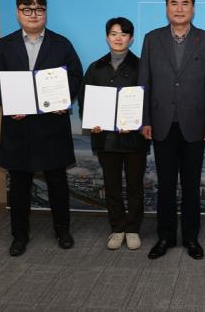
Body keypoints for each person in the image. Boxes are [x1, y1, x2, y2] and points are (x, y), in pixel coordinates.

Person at [0, 0, 83, 256]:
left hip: (52, 125)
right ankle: (19, 236)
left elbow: (76, 76)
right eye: (27, 9)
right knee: (19, 185)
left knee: (57, 182)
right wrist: (9, 103)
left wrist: (64, 99)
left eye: (39, 9)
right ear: (18, 12)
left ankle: (62, 231)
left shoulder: (61, 44)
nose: (33, 15)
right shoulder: (4, 45)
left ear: (45, 12)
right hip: (19, 126)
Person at [138, 0, 205, 260]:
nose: (179, 8)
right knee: (165, 186)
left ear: (193, 8)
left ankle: (191, 237)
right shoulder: (152, 39)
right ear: (166, 8)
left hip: (195, 124)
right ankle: (165, 237)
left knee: (191, 186)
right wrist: (144, 119)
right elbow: (144, 82)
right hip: (161, 123)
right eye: (174, 3)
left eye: (185, 3)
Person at [78, 17, 150, 251]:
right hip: (105, 139)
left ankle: (133, 229)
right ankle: (117, 228)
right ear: (107, 37)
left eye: (124, 34)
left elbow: (150, 101)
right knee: (112, 186)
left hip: (134, 139)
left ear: (131, 38)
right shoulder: (95, 67)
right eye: (113, 34)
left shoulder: (142, 66)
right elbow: (85, 101)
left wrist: (138, 122)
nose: (118, 38)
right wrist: (92, 122)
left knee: (135, 186)